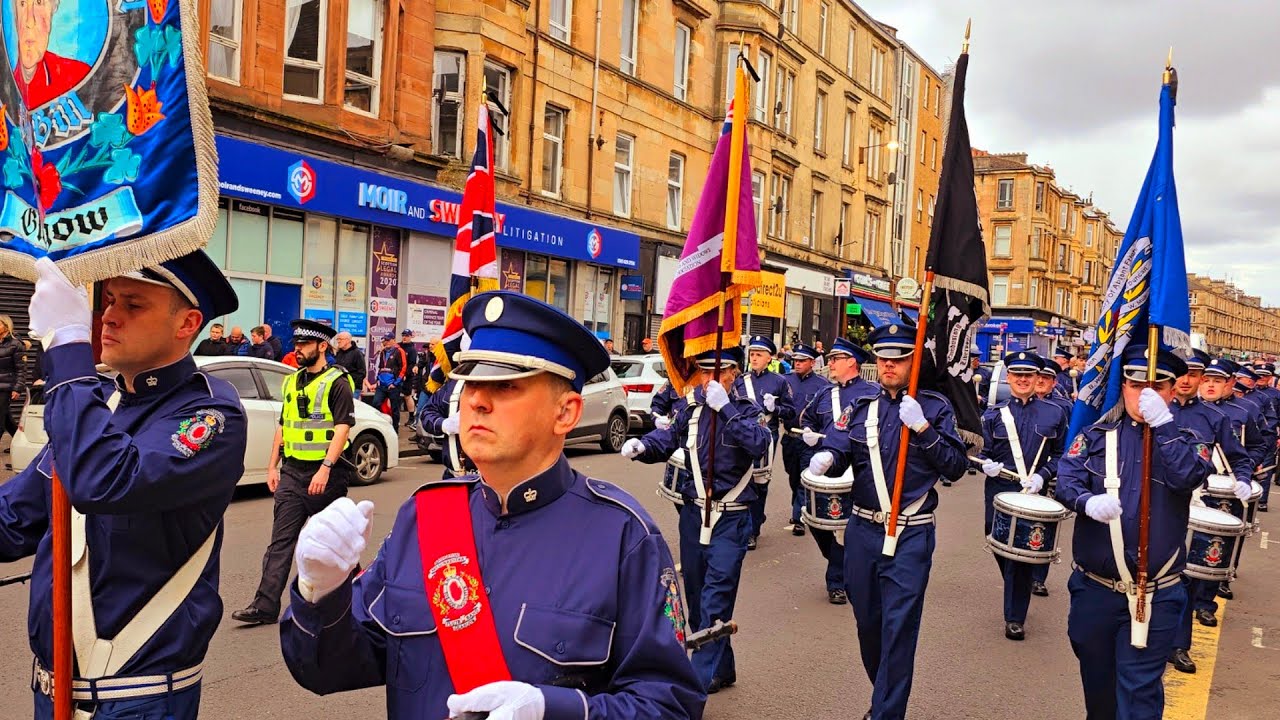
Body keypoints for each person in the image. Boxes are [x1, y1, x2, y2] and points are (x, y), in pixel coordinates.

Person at [279, 291, 704, 719]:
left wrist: (556, 710)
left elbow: (670, 704)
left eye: (505, 385)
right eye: (471, 382)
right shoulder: (425, 517)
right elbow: (328, 670)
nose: (476, 401)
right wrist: (320, 592)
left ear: (566, 413)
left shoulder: (623, 537)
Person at [1, 252, 245, 719]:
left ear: (187, 323)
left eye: (132, 304)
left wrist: (70, 346)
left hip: (140, 701)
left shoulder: (210, 414)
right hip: (54, 695)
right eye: (109, 299)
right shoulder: (103, 408)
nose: (109, 315)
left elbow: (106, 482)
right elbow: (15, 518)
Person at [808, 321, 967, 720]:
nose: (889, 365)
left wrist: (924, 429)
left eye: (898, 358)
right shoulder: (861, 408)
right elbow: (842, 446)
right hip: (863, 531)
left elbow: (956, 466)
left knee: (899, 630)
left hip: (911, 532)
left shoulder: (934, 407)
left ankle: (886, 713)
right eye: (883, 358)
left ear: (913, 362)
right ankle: (884, 695)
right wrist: (828, 456)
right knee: (869, 626)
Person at [1055, 343, 1213, 720]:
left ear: (1173, 391)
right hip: (1095, 589)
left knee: (1138, 692)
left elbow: (1187, 475)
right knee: (1099, 689)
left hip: (1154, 594)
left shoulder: (1188, 439)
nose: (1144, 393)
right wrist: (1084, 501)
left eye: (1157, 386)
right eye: (1135, 383)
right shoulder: (1095, 436)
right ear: (1121, 385)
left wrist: (1164, 427)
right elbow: (1067, 478)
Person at [624, 345, 770, 694]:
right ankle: (723, 667)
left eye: (718, 372)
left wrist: (726, 409)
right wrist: (643, 446)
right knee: (696, 596)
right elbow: (667, 438)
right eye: (704, 373)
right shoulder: (690, 410)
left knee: (715, 601)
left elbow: (759, 444)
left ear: (734, 373)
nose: (709, 380)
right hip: (693, 516)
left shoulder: (747, 411)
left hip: (730, 518)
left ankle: (692, 688)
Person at [232, 320, 355, 626]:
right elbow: (284, 427)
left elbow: (343, 427)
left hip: (327, 474)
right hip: (292, 472)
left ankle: (355, 594)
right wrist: (272, 467)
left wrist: (325, 469)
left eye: (304, 346)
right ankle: (265, 605)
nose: (297, 350)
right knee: (280, 542)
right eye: (296, 345)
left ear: (322, 347)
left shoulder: (338, 382)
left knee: (334, 540)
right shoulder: (291, 381)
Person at [1167, 348, 1252, 674]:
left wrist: (1242, 479)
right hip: (1152, 501)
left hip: (1190, 503)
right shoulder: (1152, 406)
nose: (1186, 381)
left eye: (1194, 374)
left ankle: (1179, 645)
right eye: (1182, 374)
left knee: (1184, 576)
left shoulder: (1215, 418)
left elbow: (1239, 457)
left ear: (1201, 379)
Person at [977, 352, 1067, 641]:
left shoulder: (1054, 413)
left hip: (1033, 493)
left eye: (1029, 375)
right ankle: (1018, 583)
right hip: (1000, 489)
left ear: (1037, 378)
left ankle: (1015, 617)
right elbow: (980, 453)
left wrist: (1044, 475)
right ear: (1009, 378)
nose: (1023, 380)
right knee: (996, 540)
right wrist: (985, 465)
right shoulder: (992, 415)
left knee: (1021, 555)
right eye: (1017, 375)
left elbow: (1061, 455)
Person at [797, 338, 878, 603]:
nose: (829, 363)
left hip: (857, 469)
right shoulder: (824, 393)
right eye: (830, 359)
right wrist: (808, 433)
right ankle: (840, 565)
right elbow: (807, 419)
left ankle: (837, 581)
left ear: (852, 362)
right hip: (825, 468)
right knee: (820, 523)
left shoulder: (872, 393)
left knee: (847, 526)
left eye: (835, 359)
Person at [733, 335, 795, 550]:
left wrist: (774, 409)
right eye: (752, 354)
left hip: (767, 434)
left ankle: (753, 529)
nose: (754, 358)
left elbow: (790, 411)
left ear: (770, 358)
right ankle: (746, 523)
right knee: (741, 481)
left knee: (760, 483)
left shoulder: (779, 381)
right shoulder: (740, 381)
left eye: (759, 354)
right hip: (742, 435)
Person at [780, 343, 830, 538]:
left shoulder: (822, 385)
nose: (797, 364)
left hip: (809, 439)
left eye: (802, 361)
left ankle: (800, 517)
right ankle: (798, 505)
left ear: (812, 362)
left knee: (803, 478)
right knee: (793, 476)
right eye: (795, 360)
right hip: (789, 438)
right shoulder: (785, 380)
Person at [12, 0, 92, 108]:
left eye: (39, 2)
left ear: (51, 12)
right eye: (22, 3)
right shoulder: (7, 86)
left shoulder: (79, 77)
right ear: (16, 17)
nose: (29, 22)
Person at [418, 377, 475, 479]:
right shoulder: (455, 384)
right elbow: (427, 412)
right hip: (453, 477)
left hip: (492, 482)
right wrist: (444, 424)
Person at [370, 333, 405, 431]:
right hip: (382, 385)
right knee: (376, 404)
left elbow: (403, 368)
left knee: (395, 409)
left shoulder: (399, 351)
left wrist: (395, 383)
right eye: (385, 340)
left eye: (388, 340)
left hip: (393, 385)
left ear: (394, 340)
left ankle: (395, 429)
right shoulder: (382, 352)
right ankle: (380, 426)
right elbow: (379, 367)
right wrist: (377, 380)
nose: (386, 343)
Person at [0, 314, 24, 445]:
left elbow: (21, 369)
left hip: (6, 387)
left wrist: (17, 388)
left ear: (6, 326)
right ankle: (18, 444)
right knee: (7, 419)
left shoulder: (15, 344)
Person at [398, 329, 418, 415]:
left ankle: (411, 417)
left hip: (407, 376)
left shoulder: (412, 349)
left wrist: (405, 374)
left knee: (407, 396)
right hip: (396, 375)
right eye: (403, 335)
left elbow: (412, 364)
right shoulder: (397, 346)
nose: (404, 337)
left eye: (406, 336)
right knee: (393, 396)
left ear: (410, 337)